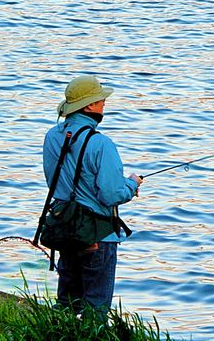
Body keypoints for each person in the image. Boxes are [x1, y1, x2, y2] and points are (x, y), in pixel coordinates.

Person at [41, 74, 143, 315]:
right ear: (88, 106)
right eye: (100, 100)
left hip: (65, 228)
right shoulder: (102, 144)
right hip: (98, 235)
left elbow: (52, 181)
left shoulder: (51, 137)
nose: (104, 104)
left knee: (66, 303)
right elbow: (111, 194)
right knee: (95, 309)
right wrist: (132, 183)